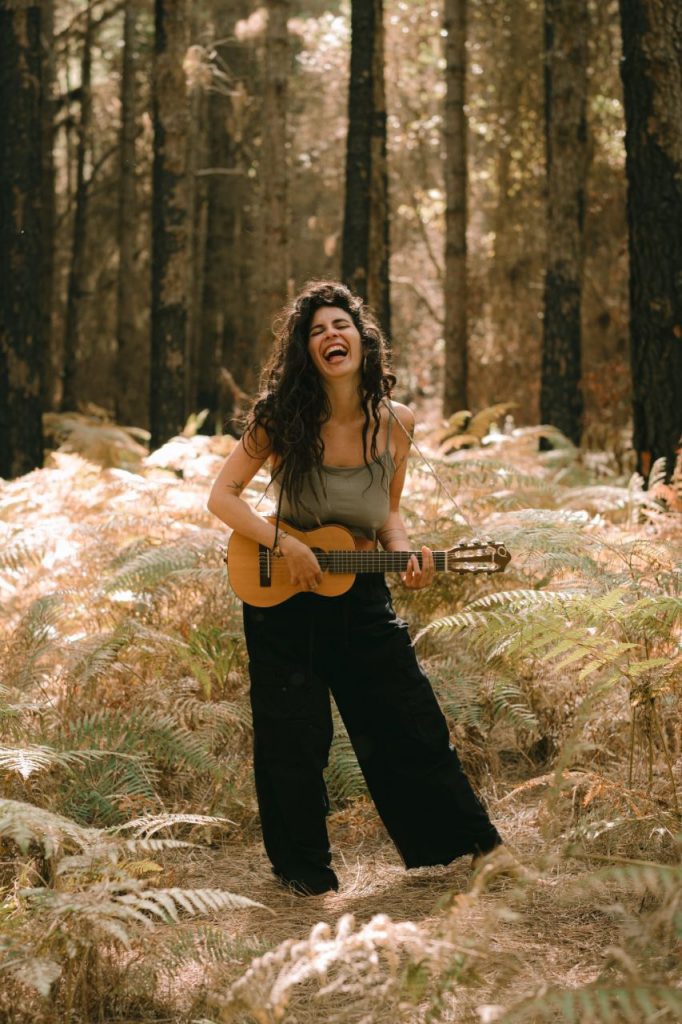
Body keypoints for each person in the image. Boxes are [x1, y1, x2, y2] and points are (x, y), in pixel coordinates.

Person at [207, 280, 501, 896]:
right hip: (282, 599)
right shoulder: (279, 417)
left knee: (409, 718)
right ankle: (303, 876)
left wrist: (404, 555)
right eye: (315, 331)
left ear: (362, 342)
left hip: (362, 595)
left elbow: (388, 515)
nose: (329, 336)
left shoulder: (397, 423)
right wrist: (281, 540)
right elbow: (221, 496)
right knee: (294, 738)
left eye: (339, 325)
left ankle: (471, 846)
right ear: (305, 351)